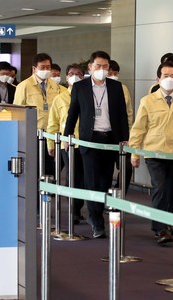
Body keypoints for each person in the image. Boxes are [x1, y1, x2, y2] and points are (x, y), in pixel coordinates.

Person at [64, 50, 129, 238]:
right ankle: (96, 220)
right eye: (98, 66)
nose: (102, 70)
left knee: (104, 181)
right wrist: (68, 136)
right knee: (91, 181)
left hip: (110, 139)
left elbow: (122, 114)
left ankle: (98, 212)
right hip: (89, 139)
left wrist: (124, 137)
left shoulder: (117, 87)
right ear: (90, 67)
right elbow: (72, 113)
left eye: (105, 66)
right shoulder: (80, 87)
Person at [129, 61, 173, 245]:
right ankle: (159, 229)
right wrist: (134, 153)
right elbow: (138, 129)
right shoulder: (148, 101)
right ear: (158, 79)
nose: (169, 79)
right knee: (160, 188)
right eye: (165, 76)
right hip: (154, 153)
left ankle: (170, 223)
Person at [13, 53, 64, 177]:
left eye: (48, 67)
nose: (46, 70)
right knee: (35, 167)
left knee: (52, 166)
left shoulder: (56, 86)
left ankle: (49, 191)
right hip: (33, 133)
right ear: (34, 69)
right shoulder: (24, 86)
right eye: (42, 67)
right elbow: (17, 112)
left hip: (52, 134)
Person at [47, 63, 86, 222]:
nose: (74, 76)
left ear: (83, 77)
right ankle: (74, 211)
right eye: (71, 73)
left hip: (86, 143)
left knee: (84, 178)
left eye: (78, 74)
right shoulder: (60, 98)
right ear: (66, 77)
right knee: (72, 178)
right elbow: (53, 123)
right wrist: (51, 144)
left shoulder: (88, 95)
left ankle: (79, 207)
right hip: (67, 144)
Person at [108, 60, 134, 195]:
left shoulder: (122, 88)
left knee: (126, 168)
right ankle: (105, 196)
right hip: (105, 137)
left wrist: (128, 135)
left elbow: (128, 113)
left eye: (115, 73)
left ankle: (119, 193)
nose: (113, 75)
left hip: (122, 136)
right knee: (106, 170)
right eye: (110, 73)